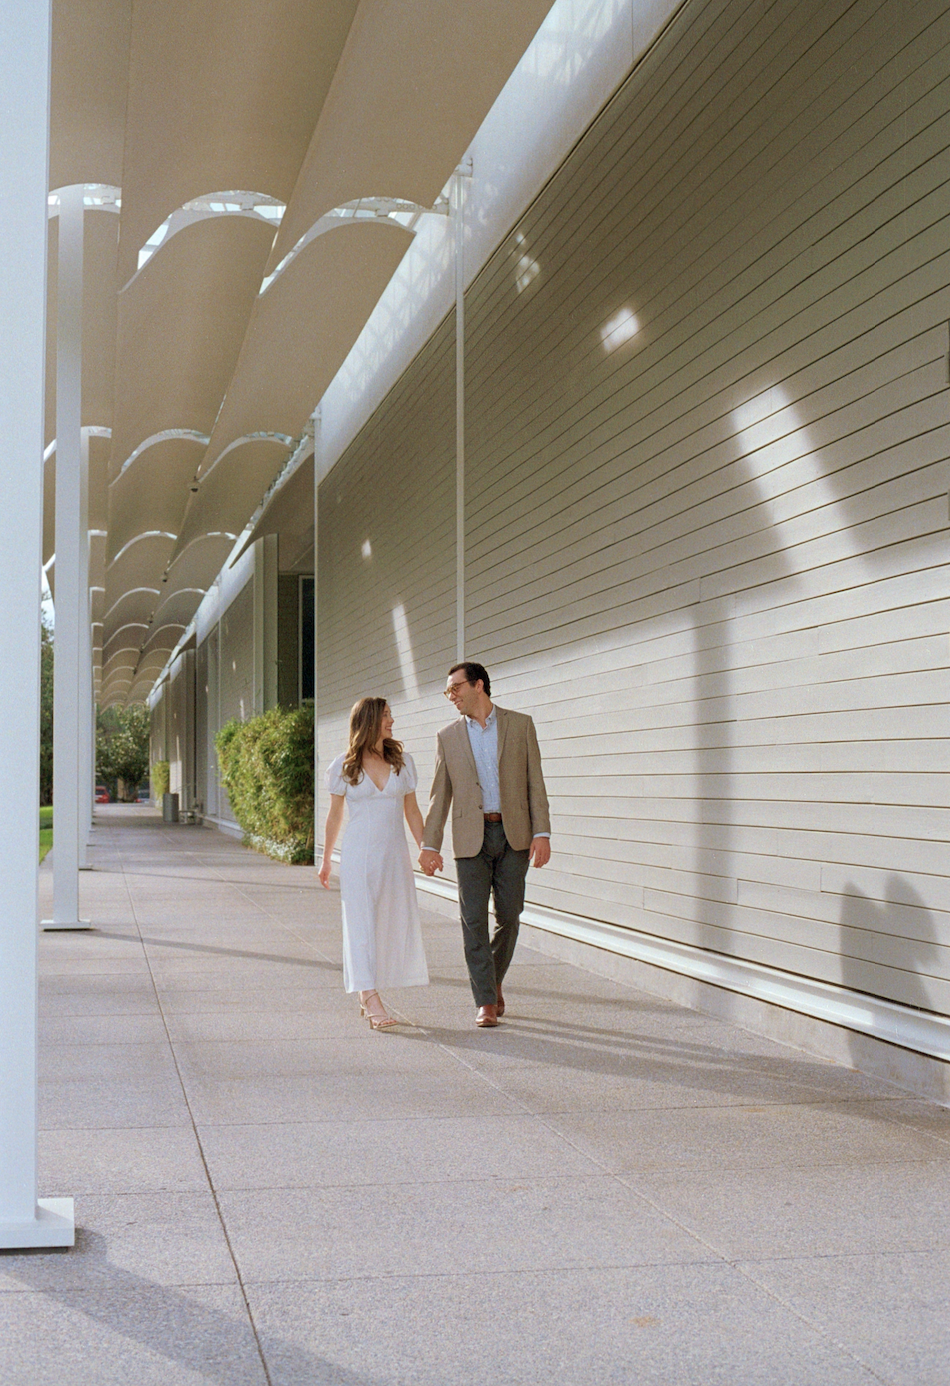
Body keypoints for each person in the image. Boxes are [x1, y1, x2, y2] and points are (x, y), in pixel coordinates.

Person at [419, 661, 550, 1027]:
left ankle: (491, 978)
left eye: (455, 688)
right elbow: (438, 796)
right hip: (470, 839)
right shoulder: (447, 736)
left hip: (514, 834)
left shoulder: (520, 725)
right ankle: (486, 1001)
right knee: (472, 919)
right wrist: (430, 844)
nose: (452, 696)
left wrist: (542, 833)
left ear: (478, 685)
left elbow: (535, 783)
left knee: (509, 915)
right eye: (448, 691)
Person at [319, 697, 429, 1028]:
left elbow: (411, 810)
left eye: (391, 715)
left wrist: (426, 847)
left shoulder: (402, 761)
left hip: (395, 857)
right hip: (358, 857)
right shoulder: (344, 765)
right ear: (368, 721)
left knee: (387, 923)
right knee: (360, 924)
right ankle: (370, 997)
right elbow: (335, 815)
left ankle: (367, 989)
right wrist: (326, 859)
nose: (392, 721)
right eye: (386, 716)